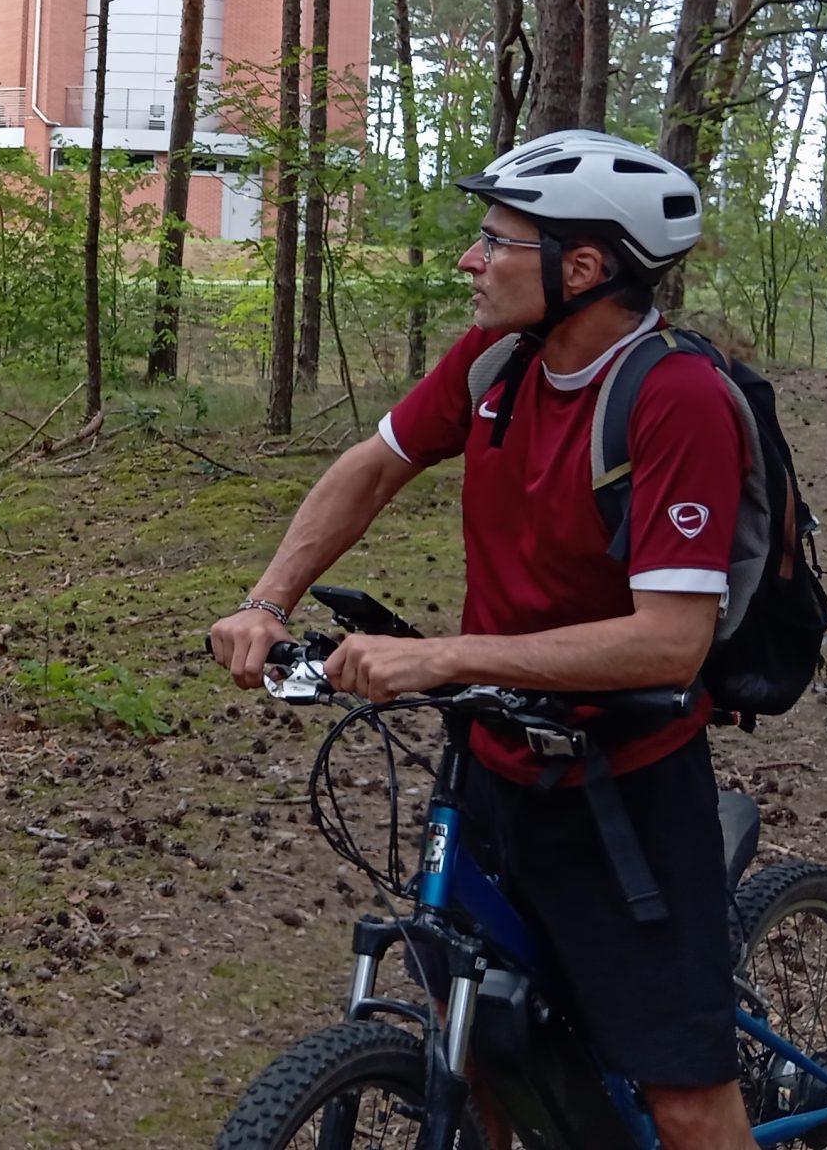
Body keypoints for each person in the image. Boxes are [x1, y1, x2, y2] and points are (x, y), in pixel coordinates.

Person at [208, 130, 754, 1150]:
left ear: (580, 269)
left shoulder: (675, 399)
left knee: (684, 1103)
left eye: (497, 241)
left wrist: (445, 654)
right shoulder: (497, 361)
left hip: (625, 781)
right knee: (486, 1046)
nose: (469, 259)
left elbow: (670, 643)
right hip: (492, 758)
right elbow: (373, 465)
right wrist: (268, 600)